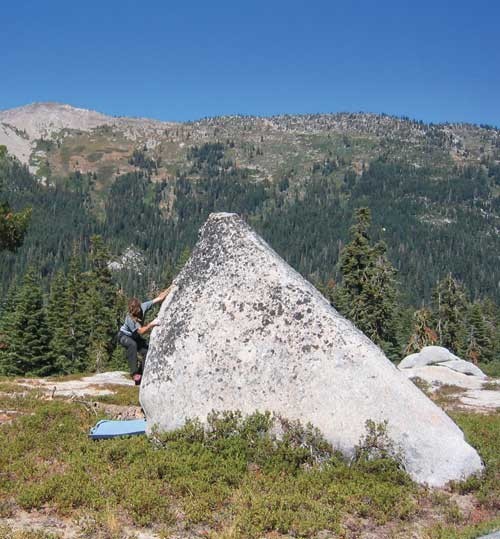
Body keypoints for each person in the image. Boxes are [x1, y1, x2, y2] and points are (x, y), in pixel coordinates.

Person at [118, 287, 171, 385]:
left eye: (138, 310)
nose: (137, 313)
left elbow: (159, 298)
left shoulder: (144, 306)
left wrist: (171, 287)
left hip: (135, 336)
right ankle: (134, 373)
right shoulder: (129, 318)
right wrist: (151, 324)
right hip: (124, 336)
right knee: (132, 345)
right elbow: (141, 331)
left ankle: (140, 375)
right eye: (135, 312)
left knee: (146, 351)